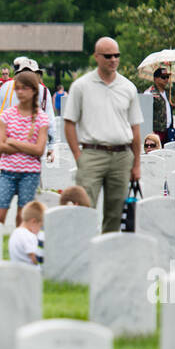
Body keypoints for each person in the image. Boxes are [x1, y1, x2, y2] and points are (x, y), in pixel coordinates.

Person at [63, 37, 142, 233]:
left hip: (122, 155)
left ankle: (108, 253)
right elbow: (69, 122)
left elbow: (135, 129)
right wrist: (78, 156)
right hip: (92, 153)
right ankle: (82, 250)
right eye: (108, 56)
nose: (113, 59)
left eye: (117, 55)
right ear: (96, 57)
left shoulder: (128, 87)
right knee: (84, 206)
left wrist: (137, 163)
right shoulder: (81, 86)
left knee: (116, 211)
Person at [0, 71, 49, 226]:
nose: (20, 92)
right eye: (17, 88)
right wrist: (26, 147)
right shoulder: (7, 115)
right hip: (7, 171)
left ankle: (19, 247)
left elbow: (39, 150)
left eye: (25, 88)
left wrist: (12, 142)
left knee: (23, 218)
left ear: (34, 90)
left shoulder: (42, 118)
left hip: (30, 173)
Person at [9, 200, 45, 265]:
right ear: (33, 221)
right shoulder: (28, 236)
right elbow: (36, 260)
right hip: (30, 272)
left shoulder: (16, 232)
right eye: (40, 226)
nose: (40, 230)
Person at [146, 67, 172, 145]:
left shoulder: (167, 94)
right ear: (155, 79)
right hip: (156, 130)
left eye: (167, 77)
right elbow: (145, 113)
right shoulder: (149, 93)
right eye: (163, 77)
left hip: (167, 130)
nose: (166, 79)